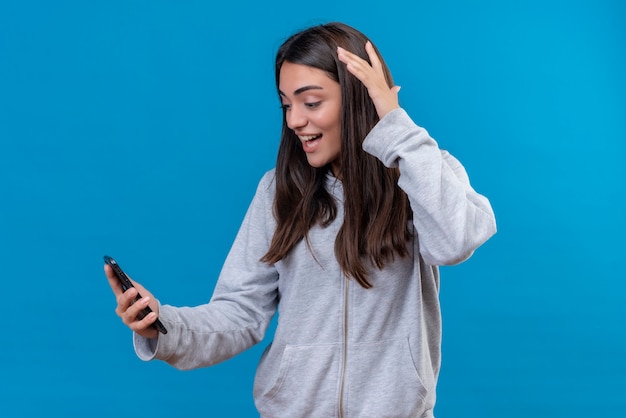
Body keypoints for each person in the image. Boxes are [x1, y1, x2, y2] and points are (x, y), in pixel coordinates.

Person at [105, 22, 497, 417]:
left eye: (311, 103)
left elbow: (455, 241)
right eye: (287, 104)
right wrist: (162, 323)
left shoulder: (422, 174)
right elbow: (241, 312)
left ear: (361, 98)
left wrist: (394, 123)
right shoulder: (279, 191)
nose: (294, 120)